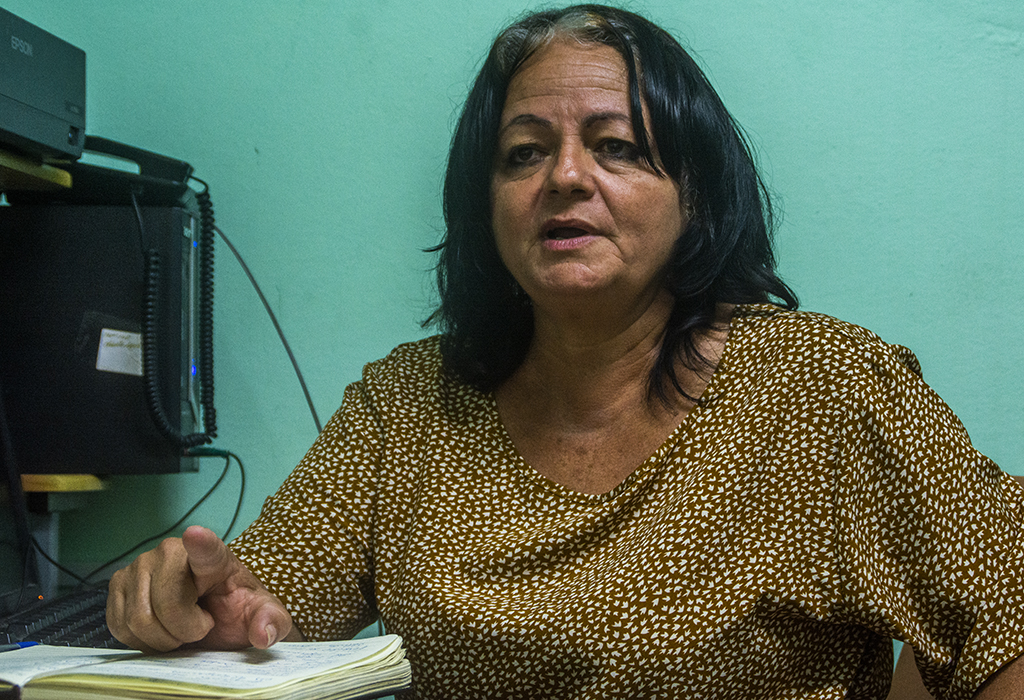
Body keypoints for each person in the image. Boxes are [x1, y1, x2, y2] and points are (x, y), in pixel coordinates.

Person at [106, 5, 1024, 698]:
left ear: (695, 193)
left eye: (617, 145)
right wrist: (196, 605)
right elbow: (269, 608)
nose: (566, 177)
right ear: (487, 203)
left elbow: (1008, 608)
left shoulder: (823, 389)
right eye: (523, 153)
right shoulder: (407, 403)